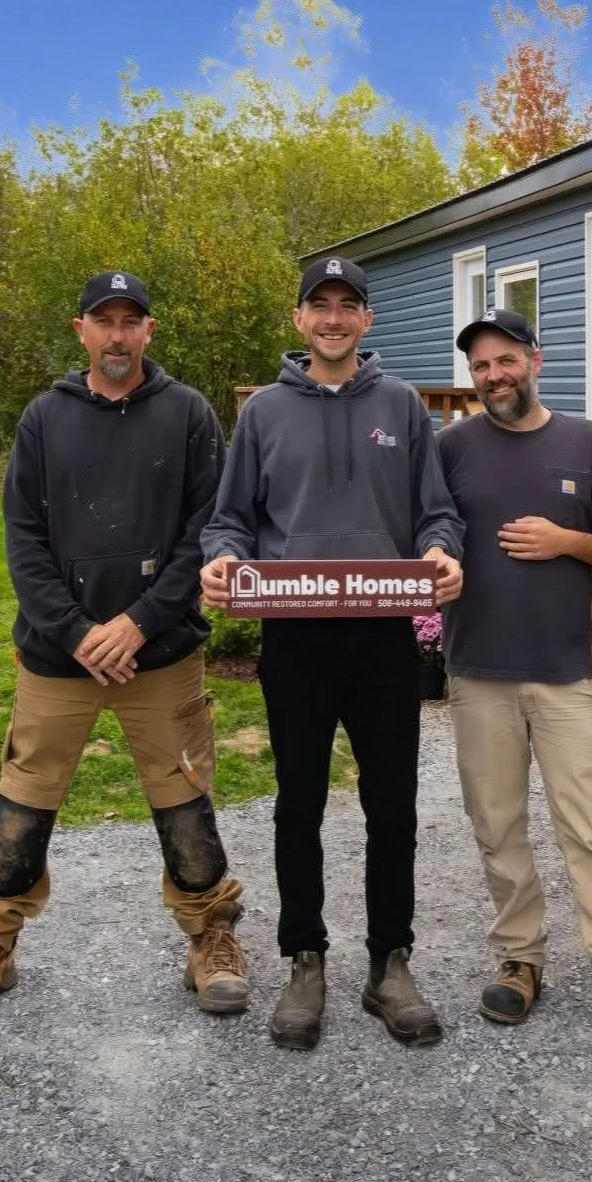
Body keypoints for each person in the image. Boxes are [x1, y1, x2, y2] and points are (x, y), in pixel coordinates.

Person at [0, 271, 246, 1026]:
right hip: (57, 657)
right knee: (20, 812)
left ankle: (212, 938)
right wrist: (76, 634)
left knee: (185, 809)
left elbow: (206, 532)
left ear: (149, 331)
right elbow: (24, 542)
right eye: (101, 321)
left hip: (160, 652)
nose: (116, 334)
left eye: (128, 321)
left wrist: (137, 623)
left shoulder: (189, 414)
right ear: (81, 332)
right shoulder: (45, 418)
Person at [199, 256, 463, 1051]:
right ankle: (304, 959)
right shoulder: (265, 414)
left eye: (350, 305)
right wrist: (221, 559)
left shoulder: (405, 407)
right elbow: (230, 520)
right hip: (297, 635)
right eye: (322, 305)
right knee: (298, 805)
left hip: (385, 634)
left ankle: (391, 963)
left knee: (393, 806)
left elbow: (435, 512)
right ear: (299, 318)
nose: (335, 317)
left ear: (367, 321)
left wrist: (443, 551)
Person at [438, 306, 592, 1067]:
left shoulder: (587, 442)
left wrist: (564, 541)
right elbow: (424, 532)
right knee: (498, 825)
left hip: (564, 676)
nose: (494, 376)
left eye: (506, 360)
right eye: (481, 366)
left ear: (535, 360)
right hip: (478, 669)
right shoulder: (450, 448)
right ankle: (521, 958)